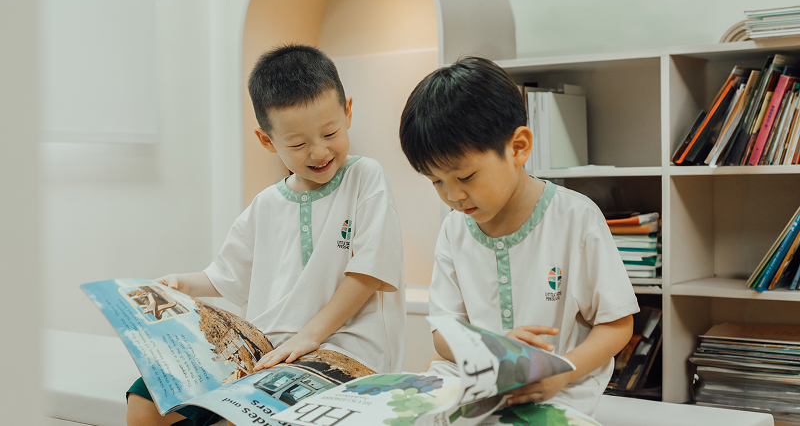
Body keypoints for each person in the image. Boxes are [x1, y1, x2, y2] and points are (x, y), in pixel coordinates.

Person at [126, 44, 406, 426]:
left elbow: (369, 272)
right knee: (147, 401)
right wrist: (179, 285)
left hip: (342, 350)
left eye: (330, 132)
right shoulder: (266, 204)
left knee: (237, 416)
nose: (319, 151)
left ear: (348, 112)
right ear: (267, 141)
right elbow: (222, 276)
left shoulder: (365, 178)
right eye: (298, 144)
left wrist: (309, 337)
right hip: (265, 348)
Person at [398, 56, 638, 418]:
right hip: (470, 382)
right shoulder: (453, 228)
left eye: (464, 178)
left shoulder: (575, 216)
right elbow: (443, 335)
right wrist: (491, 350)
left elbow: (617, 323)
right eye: (436, 182)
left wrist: (563, 371)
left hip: (555, 389)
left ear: (519, 147)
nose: (452, 196)